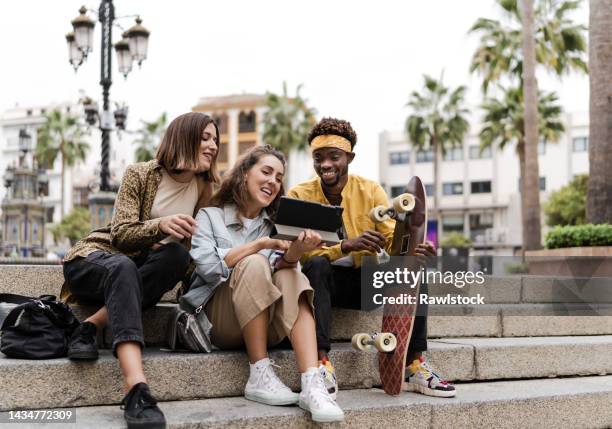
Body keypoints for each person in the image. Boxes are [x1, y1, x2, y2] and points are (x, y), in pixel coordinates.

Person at [61, 112, 221, 428]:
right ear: (183, 137)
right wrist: (160, 224)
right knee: (124, 266)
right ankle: (135, 386)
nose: (213, 145)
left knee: (175, 255)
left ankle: (90, 327)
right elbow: (121, 233)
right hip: (94, 260)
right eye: (205, 137)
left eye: (216, 139)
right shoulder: (141, 173)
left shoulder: (204, 188)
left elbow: (190, 251)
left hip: (136, 275)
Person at [288, 117, 456, 399]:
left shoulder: (370, 190)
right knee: (316, 264)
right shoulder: (300, 195)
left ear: (349, 157)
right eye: (319, 158)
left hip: (362, 283)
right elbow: (299, 254)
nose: (326, 164)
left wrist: (414, 250)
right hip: (319, 286)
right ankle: (322, 363)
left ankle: (415, 364)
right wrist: (345, 246)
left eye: (334, 157)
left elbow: (392, 240)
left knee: (413, 270)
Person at [184, 145, 344, 423]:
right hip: (218, 321)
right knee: (255, 261)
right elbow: (209, 269)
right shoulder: (209, 216)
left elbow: (281, 268)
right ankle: (258, 372)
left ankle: (311, 382)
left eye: (279, 177)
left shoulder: (274, 225)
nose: (273, 181)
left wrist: (298, 249)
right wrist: (259, 245)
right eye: (266, 172)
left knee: (291, 273)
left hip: (264, 320)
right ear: (245, 174)